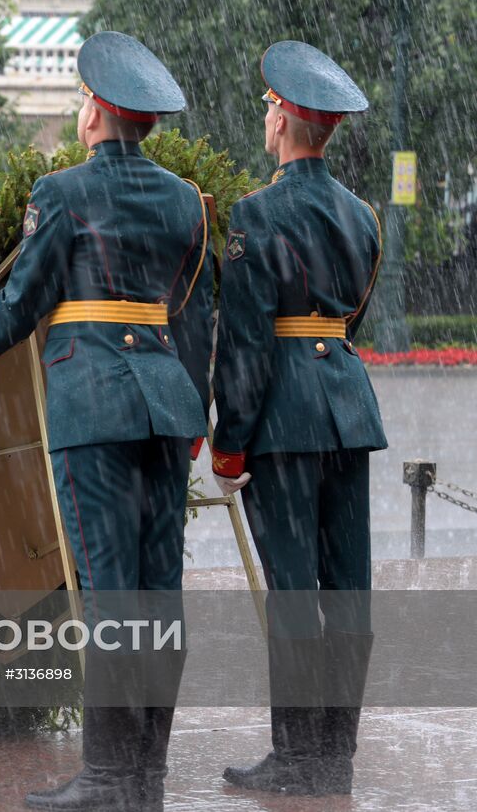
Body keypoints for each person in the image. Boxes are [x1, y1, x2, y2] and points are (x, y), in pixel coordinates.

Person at [0, 32, 212, 812]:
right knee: (156, 592)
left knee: (106, 592)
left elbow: (25, 298)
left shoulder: (61, 191)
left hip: (93, 398)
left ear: (97, 112)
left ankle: (106, 778)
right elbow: (192, 310)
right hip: (166, 402)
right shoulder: (185, 199)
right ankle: (147, 774)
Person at [211, 41, 385, 797]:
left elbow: (247, 345)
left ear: (283, 120)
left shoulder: (255, 214)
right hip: (348, 409)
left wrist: (229, 442)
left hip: (283, 417)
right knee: (347, 589)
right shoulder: (361, 214)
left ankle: (295, 755)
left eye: (268, 109)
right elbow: (352, 320)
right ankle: (334, 752)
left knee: (292, 590)